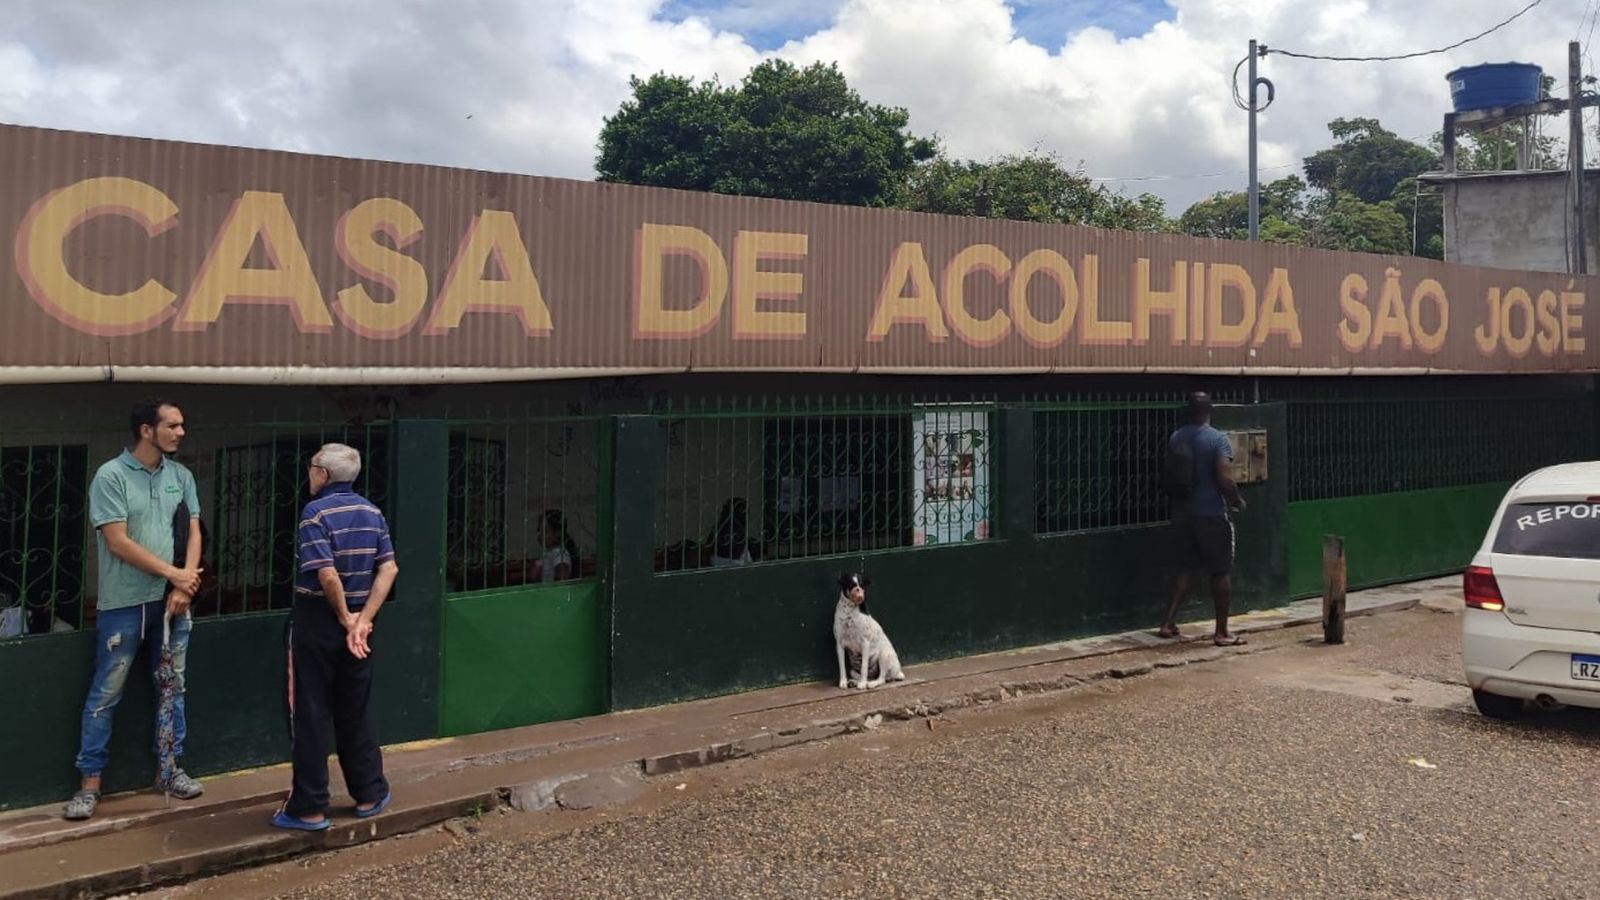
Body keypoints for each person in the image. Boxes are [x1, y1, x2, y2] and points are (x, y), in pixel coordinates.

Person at [65, 400, 204, 821]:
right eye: (173, 425)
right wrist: (174, 575)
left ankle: (170, 770)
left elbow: (195, 529)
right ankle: (90, 784)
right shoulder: (110, 476)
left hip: (173, 602)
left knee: (172, 686)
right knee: (107, 692)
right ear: (147, 430)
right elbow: (117, 541)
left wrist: (185, 584)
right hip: (123, 603)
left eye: (182, 424)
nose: (181, 432)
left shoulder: (181, 475)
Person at [273, 444, 398, 831]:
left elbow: (326, 574)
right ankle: (369, 793)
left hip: (319, 621)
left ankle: (308, 806)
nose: (308, 473)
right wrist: (362, 622)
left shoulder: (315, 513)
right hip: (360, 626)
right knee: (355, 707)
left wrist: (345, 618)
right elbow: (389, 568)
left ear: (323, 475)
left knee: (309, 710)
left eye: (311, 467)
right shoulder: (372, 512)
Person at [1158, 392, 1248, 646]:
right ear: (1210, 410)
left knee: (1186, 567)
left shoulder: (1176, 437)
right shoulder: (1217, 439)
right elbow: (1225, 478)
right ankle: (1222, 632)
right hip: (1211, 515)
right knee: (1220, 571)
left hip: (1182, 514)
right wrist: (1236, 500)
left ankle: (1167, 623)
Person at [708, 498, 753, 567]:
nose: (747, 514)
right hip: (722, 561)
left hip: (734, 561)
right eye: (743, 510)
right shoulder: (724, 527)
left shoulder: (740, 526)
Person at [538, 509, 580, 582]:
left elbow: (562, 580)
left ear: (557, 534)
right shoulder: (550, 552)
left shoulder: (559, 553)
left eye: (545, 532)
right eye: (539, 530)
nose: (539, 535)